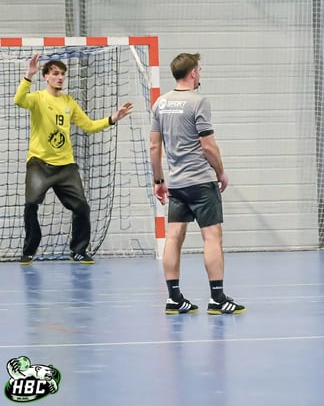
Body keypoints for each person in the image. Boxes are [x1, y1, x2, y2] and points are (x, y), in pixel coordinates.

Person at [14, 54, 134, 265]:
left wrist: (112, 119)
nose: (60, 77)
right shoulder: (37, 98)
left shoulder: (69, 102)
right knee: (31, 203)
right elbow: (19, 100)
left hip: (66, 167)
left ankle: (78, 250)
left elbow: (89, 126)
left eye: (62, 74)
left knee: (81, 208)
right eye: (55, 73)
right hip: (39, 163)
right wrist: (28, 75)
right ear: (46, 76)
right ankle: (30, 248)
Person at [150, 52, 245, 315]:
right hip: (201, 182)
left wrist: (159, 180)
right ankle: (217, 298)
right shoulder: (198, 102)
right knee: (212, 237)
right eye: (199, 70)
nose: (200, 73)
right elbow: (208, 145)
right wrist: (220, 171)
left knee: (173, 237)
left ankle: (174, 298)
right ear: (193, 73)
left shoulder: (160, 103)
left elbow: (154, 146)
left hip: (177, 183)